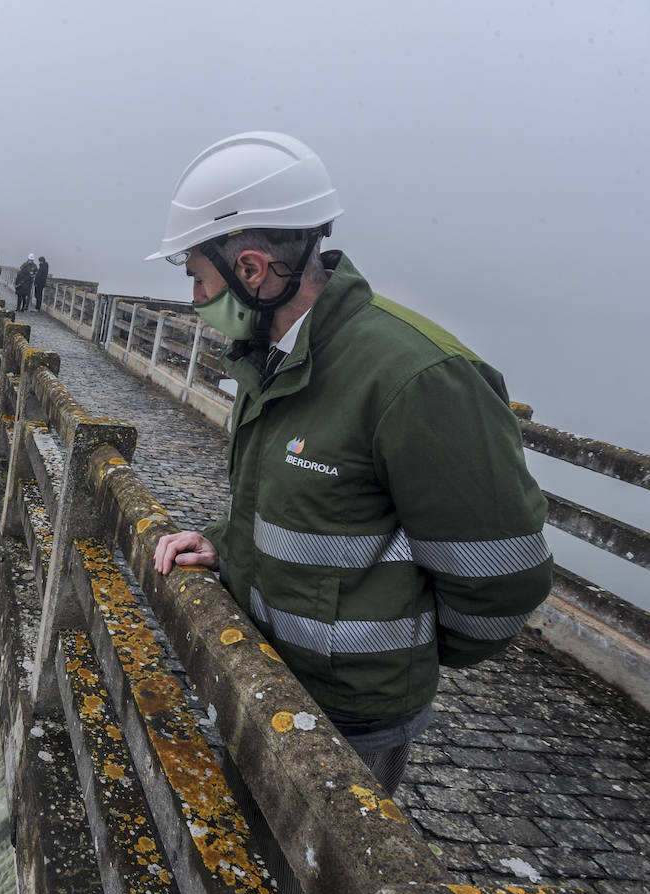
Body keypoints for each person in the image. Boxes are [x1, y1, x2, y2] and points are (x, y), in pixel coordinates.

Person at [147, 131, 552, 796]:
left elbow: (503, 579)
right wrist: (225, 544)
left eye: (198, 277)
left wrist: (399, 651)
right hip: (266, 674)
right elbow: (303, 505)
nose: (195, 300)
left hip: (349, 723)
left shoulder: (415, 377)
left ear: (250, 270)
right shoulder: (273, 358)